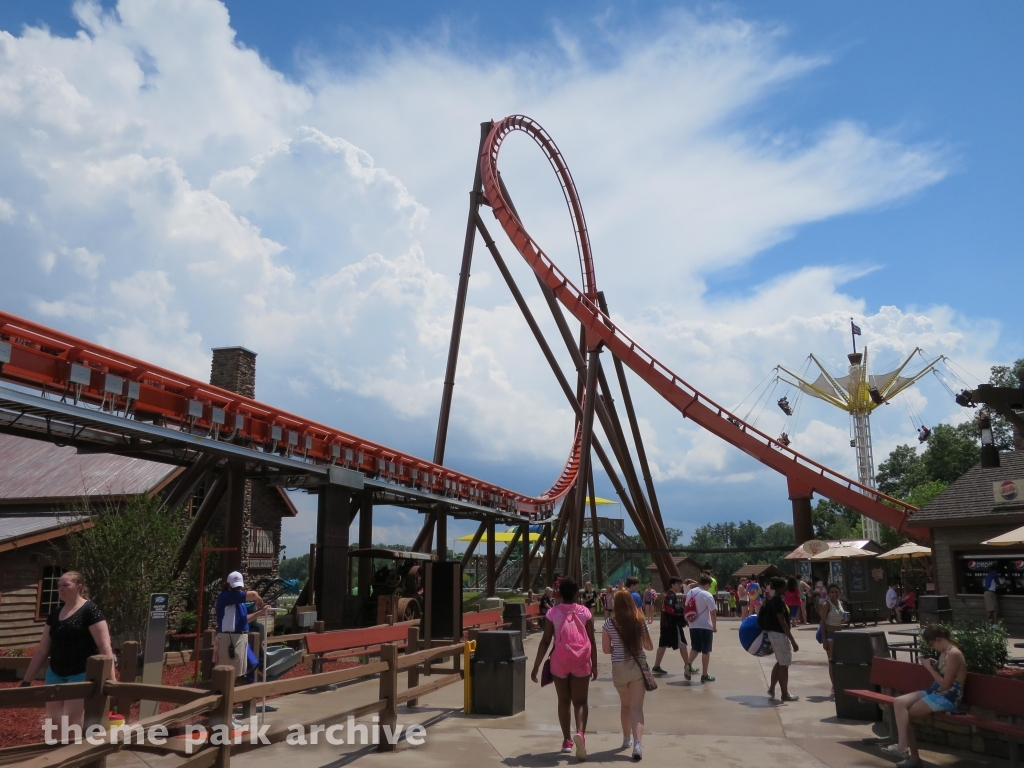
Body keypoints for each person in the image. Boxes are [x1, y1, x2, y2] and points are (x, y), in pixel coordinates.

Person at [21, 572, 116, 730]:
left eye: (65, 585)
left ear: (79, 587)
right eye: (59, 586)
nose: (60, 589)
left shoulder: (90, 610)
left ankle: (74, 747)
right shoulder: (55, 613)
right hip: (55, 673)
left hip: (81, 673)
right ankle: (54, 747)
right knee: (54, 723)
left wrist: (111, 679)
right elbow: (42, 650)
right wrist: (26, 681)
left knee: (72, 722)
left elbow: (104, 645)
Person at [530, 578, 598, 760]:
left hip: (559, 661)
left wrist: (536, 666)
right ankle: (580, 734)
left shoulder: (552, 613)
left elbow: (546, 641)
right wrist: (595, 664)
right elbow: (591, 640)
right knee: (581, 701)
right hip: (581, 661)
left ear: (559, 593)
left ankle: (567, 740)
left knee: (563, 700)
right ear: (576, 593)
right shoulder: (585, 612)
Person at [882, 625, 967, 768]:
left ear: (938, 640)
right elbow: (943, 674)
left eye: (932, 644)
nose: (933, 648)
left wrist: (928, 668)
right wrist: (935, 665)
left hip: (948, 697)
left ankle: (910, 755)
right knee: (899, 702)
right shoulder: (944, 653)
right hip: (935, 691)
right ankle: (903, 747)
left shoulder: (954, 654)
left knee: (905, 715)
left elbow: (946, 685)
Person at [602, 589, 653, 761]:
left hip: (619, 667)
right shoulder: (639, 619)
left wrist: (618, 648)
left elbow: (606, 649)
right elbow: (649, 646)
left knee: (625, 705)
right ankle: (638, 744)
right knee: (636, 707)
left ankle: (626, 739)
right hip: (637, 666)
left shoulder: (609, 623)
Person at [214, 571, 266, 679]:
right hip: (229, 640)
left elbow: (244, 619)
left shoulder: (238, 601)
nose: (237, 589)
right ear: (228, 585)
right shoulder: (225, 596)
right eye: (235, 587)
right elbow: (253, 594)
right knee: (228, 675)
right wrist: (258, 599)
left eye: (238, 587)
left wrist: (261, 612)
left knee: (238, 674)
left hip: (239, 639)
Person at [761, 576, 799, 701]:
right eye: (784, 587)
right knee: (784, 665)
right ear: (778, 589)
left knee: (780, 662)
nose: (786, 589)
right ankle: (785, 694)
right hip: (779, 635)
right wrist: (793, 641)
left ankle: (772, 688)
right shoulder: (778, 601)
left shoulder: (771, 600)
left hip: (773, 634)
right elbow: (783, 623)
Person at [651, 577, 689, 675]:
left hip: (664, 624)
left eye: (680, 584)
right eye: (678, 584)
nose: (680, 586)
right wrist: (680, 614)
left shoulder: (667, 594)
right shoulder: (671, 595)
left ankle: (656, 666)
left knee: (662, 645)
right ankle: (688, 665)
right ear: (672, 584)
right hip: (671, 624)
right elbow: (669, 610)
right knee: (682, 643)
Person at [683, 576, 718, 683]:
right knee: (706, 650)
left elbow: (686, 606)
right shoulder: (707, 595)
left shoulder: (691, 592)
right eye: (709, 585)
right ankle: (704, 675)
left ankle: (688, 664)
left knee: (695, 647)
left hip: (693, 625)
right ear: (707, 584)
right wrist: (714, 627)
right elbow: (713, 613)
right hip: (705, 626)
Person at [818, 582, 846, 694]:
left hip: (840, 635)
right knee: (832, 662)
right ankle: (834, 685)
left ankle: (840, 683)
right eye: (832, 592)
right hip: (830, 635)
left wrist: (845, 619)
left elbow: (840, 620)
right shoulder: (826, 605)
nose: (835, 594)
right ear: (828, 593)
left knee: (840, 661)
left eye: (836, 591)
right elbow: (823, 623)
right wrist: (824, 640)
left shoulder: (840, 603)